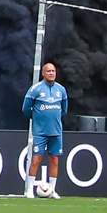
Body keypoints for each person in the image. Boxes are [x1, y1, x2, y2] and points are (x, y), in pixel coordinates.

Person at [23, 61, 69, 199]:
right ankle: (29, 189)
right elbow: (25, 109)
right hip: (40, 132)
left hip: (56, 131)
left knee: (54, 159)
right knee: (36, 159)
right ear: (43, 73)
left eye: (53, 71)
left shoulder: (61, 90)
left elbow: (64, 109)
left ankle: (52, 190)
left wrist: (53, 119)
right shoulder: (35, 89)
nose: (51, 73)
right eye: (48, 71)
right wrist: (38, 119)